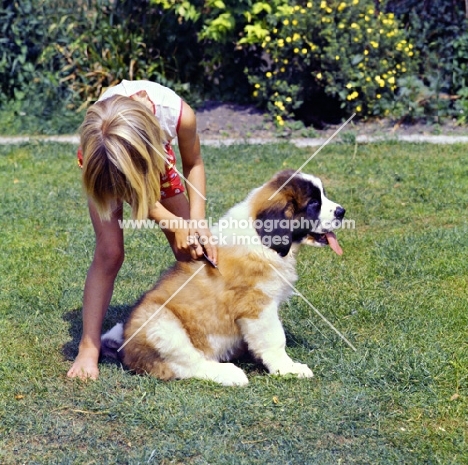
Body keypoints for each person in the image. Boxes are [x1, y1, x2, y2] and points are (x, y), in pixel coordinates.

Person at [67, 80, 216, 380]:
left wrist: (196, 220)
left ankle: (205, 332)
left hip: (151, 159)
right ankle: (89, 347)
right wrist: (174, 223)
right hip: (108, 163)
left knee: (191, 248)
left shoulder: (178, 116)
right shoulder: (100, 134)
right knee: (110, 253)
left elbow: (194, 163)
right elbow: (134, 194)